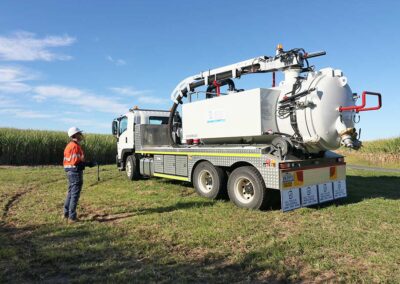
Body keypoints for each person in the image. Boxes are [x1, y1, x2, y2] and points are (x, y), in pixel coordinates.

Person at [63, 127, 95, 223]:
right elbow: (76, 162)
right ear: (75, 135)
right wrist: (89, 164)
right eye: (79, 133)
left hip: (70, 171)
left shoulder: (69, 145)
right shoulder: (75, 147)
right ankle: (72, 217)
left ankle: (66, 213)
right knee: (74, 195)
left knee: (70, 193)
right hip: (75, 172)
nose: (81, 135)